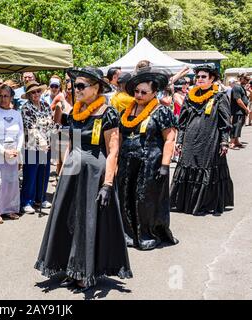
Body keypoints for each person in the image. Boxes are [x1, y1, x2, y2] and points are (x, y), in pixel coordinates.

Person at [35, 67, 132, 292]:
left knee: (87, 222)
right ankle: (70, 268)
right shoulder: (76, 111)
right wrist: (61, 174)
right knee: (67, 220)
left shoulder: (108, 113)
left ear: (96, 88)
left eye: (80, 86)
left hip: (93, 175)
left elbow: (113, 150)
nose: (75, 89)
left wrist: (108, 184)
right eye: (74, 86)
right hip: (72, 171)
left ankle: (86, 272)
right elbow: (71, 144)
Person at [117, 67, 179, 250]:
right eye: (136, 91)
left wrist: (165, 165)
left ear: (154, 93)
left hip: (151, 163)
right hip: (127, 162)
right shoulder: (127, 111)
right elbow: (119, 136)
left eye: (144, 92)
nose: (139, 95)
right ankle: (128, 234)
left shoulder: (161, 111)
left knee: (145, 200)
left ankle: (147, 234)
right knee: (126, 197)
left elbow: (170, 138)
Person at [170, 63, 234, 215]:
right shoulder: (189, 96)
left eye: (203, 77)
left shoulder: (219, 97)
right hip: (190, 140)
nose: (199, 79)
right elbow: (183, 122)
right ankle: (185, 203)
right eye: (197, 76)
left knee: (206, 169)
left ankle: (203, 203)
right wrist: (179, 140)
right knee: (187, 165)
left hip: (210, 140)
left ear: (212, 79)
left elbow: (224, 122)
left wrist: (224, 141)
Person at [0, 84, 24, 223]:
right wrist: (3, 151)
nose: (3, 99)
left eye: (6, 96)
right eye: (0, 96)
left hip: (13, 153)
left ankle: (11, 209)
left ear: (11, 97)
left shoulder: (16, 114)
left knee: (12, 182)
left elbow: (21, 133)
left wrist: (18, 150)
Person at [20, 81, 56, 214]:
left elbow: (51, 124)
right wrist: (41, 142)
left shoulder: (46, 105)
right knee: (30, 174)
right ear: (29, 94)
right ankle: (26, 201)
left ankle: (40, 198)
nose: (36, 94)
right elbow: (30, 128)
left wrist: (54, 136)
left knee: (44, 172)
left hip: (46, 145)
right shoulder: (26, 108)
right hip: (31, 146)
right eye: (33, 92)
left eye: (38, 91)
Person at [229, 73, 250, 148]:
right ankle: (232, 142)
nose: (248, 81)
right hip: (237, 110)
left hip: (241, 110)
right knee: (235, 125)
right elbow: (238, 100)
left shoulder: (241, 87)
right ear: (241, 78)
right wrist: (246, 108)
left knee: (239, 126)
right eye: (246, 79)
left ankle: (236, 141)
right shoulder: (236, 87)